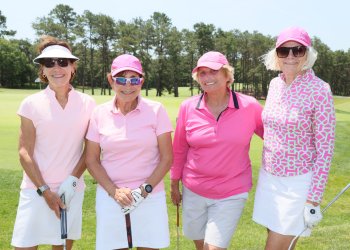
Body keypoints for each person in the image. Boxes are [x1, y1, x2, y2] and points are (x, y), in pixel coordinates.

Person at [252, 27, 336, 250]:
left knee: (275, 246)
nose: (290, 56)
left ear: (307, 54)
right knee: (275, 239)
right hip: (269, 178)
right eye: (284, 51)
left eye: (297, 50)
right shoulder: (274, 85)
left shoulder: (320, 90)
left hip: (298, 183)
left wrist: (313, 198)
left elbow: (325, 149)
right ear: (276, 55)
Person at [170, 51, 264, 250]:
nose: (207, 77)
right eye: (202, 73)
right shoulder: (187, 107)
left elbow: (274, 138)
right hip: (194, 189)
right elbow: (179, 149)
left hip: (231, 190)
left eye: (213, 72)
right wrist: (174, 184)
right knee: (200, 245)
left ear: (227, 75)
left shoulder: (250, 106)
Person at [11, 36, 96, 250]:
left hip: (71, 190)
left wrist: (72, 181)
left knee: (61, 248)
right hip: (35, 188)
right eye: (49, 63)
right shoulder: (30, 104)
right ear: (43, 70)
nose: (57, 68)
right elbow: (24, 152)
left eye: (62, 62)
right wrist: (45, 191)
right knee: (24, 247)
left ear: (73, 66)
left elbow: (91, 150)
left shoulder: (88, 103)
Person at [85, 54, 173, 250]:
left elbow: (167, 158)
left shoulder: (156, 110)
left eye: (134, 79)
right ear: (111, 80)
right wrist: (114, 191)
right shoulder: (99, 113)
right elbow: (91, 160)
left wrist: (144, 190)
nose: (128, 85)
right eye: (121, 79)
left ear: (141, 81)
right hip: (111, 196)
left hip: (150, 196)